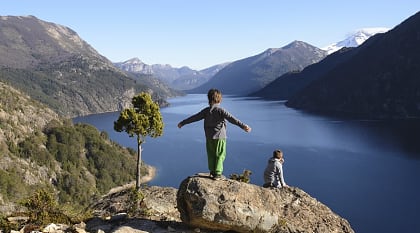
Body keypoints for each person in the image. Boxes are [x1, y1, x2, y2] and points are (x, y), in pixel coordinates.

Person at [178, 89, 251, 180]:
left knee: (211, 154)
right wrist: (243, 126)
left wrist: (183, 122)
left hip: (209, 137)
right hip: (220, 137)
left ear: (209, 99)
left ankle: (212, 171)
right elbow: (232, 119)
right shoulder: (221, 110)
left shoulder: (206, 111)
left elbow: (195, 117)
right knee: (220, 154)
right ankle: (217, 173)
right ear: (219, 99)